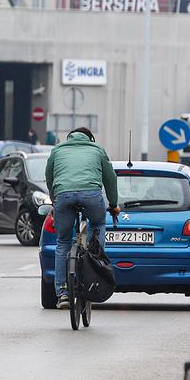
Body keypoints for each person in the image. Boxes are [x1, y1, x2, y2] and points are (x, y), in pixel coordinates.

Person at [44, 126, 119, 310]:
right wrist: (113, 204)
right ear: (90, 139)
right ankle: (95, 261)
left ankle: (62, 293)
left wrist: (55, 198)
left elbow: (49, 176)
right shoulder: (97, 150)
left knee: (63, 242)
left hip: (63, 196)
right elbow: (110, 179)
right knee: (98, 223)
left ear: (70, 138)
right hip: (91, 196)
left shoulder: (57, 150)